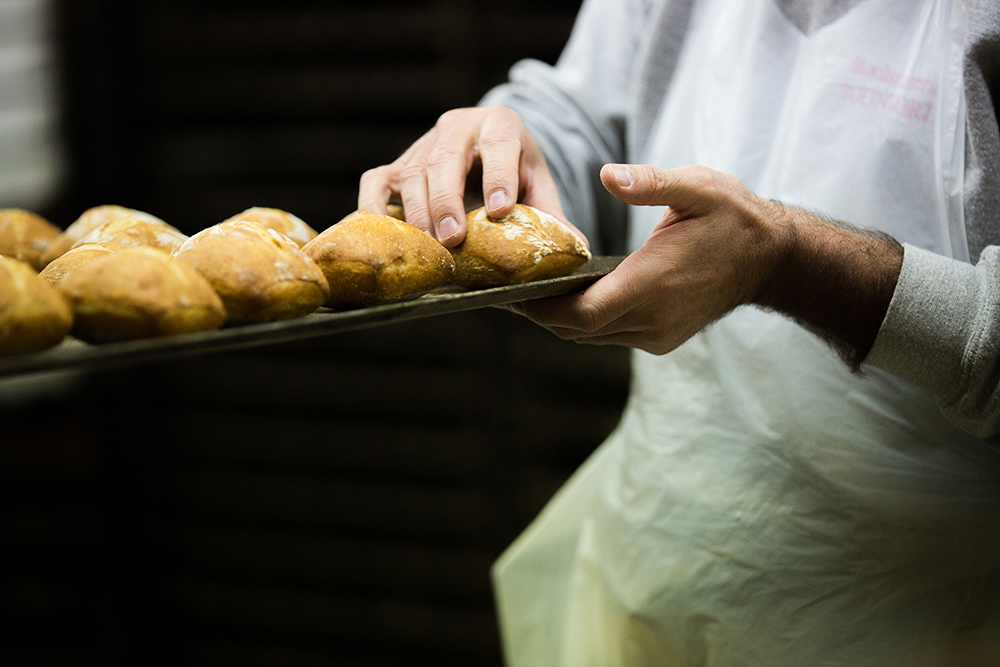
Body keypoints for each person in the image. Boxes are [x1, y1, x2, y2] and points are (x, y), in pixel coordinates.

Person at [360, 0, 1000, 664]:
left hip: (932, 616)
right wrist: (502, 154)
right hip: (660, 569)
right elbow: (585, 115)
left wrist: (790, 263)